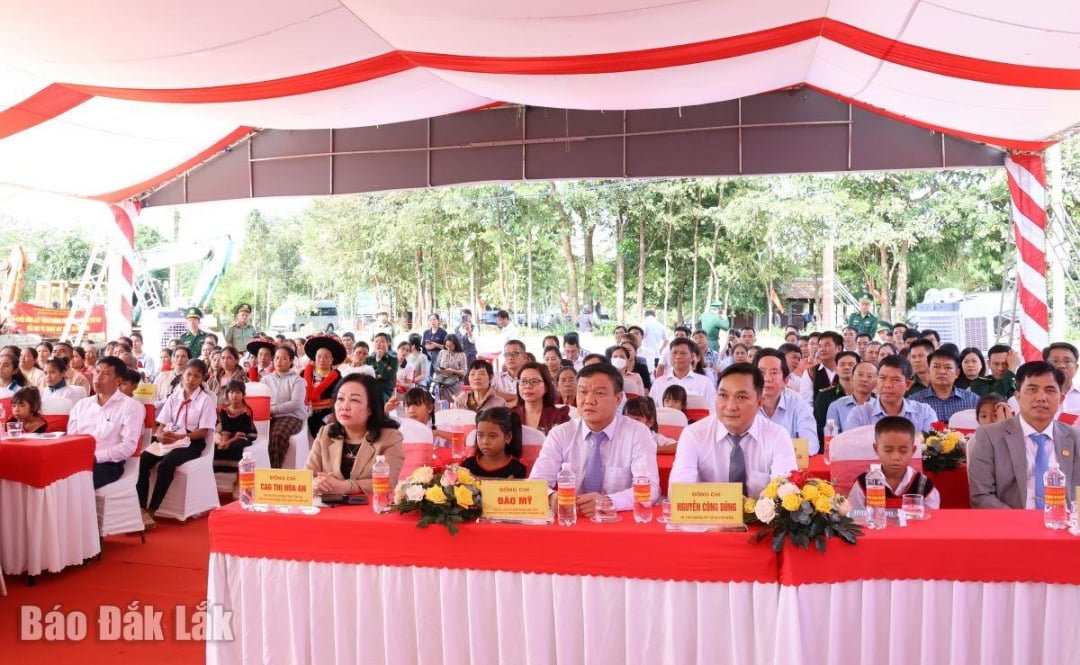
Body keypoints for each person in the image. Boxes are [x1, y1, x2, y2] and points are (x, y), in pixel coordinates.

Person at [529, 364, 659, 517]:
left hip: (617, 521)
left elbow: (650, 489)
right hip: (572, 520)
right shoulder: (560, 434)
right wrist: (551, 497)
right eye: (582, 392)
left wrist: (609, 501)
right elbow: (536, 483)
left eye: (599, 393)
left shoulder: (637, 432)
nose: (589, 400)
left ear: (618, 399)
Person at [669, 364, 798, 498]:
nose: (730, 407)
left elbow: (786, 494)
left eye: (741, 397)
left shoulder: (777, 436)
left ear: (759, 403)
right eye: (723, 395)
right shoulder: (693, 435)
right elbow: (678, 493)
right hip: (708, 511)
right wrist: (728, 502)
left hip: (762, 512)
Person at [969, 361, 1080, 509]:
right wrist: (1019, 521)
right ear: (1018, 396)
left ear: (1061, 399)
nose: (1041, 397)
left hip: (1064, 520)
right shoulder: (990, 436)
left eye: (1050, 390)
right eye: (1032, 389)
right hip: (1012, 521)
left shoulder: (1075, 438)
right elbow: (981, 495)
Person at [135, 358, 216, 526]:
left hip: (192, 441)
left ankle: (153, 509)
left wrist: (181, 438)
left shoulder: (205, 400)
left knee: (167, 464)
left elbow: (204, 431)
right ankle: (141, 508)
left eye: (196, 376)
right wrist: (160, 435)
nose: (191, 379)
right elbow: (162, 424)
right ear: (182, 376)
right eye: (188, 375)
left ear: (202, 378)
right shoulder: (174, 397)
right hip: (170, 437)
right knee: (142, 461)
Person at [307, 373, 404, 495]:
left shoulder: (390, 437)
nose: (344, 407)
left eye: (354, 400)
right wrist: (317, 483)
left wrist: (346, 487)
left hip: (371, 506)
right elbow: (308, 476)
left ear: (371, 408)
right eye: (340, 399)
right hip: (328, 506)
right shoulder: (325, 433)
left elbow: (388, 483)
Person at [68, 356, 144, 489]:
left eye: (105, 374)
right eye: (97, 372)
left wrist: (96, 457)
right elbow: (71, 438)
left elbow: (128, 446)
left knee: (77, 483)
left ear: (118, 380)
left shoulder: (131, 406)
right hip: (79, 459)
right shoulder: (81, 405)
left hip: (108, 464)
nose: (98, 377)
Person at [846, 416, 941, 511]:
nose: (895, 457)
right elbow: (854, 514)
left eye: (903, 451)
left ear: (913, 450)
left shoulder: (923, 485)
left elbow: (933, 516)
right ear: (876, 449)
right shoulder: (864, 482)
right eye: (888, 450)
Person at [844, 355, 937, 432]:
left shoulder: (924, 413)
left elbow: (932, 446)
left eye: (895, 380)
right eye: (882, 378)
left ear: (908, 384)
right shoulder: (859, 414)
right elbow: (849, 447)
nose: (888, 385)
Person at [754, 349, 820, 454]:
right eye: (761, 372)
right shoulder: (744, 407)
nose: (767, 379)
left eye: (774, 372)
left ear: (785, 381)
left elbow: (810, 445)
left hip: (789, 463)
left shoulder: (799, 406)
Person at [263, 346, 307, 468]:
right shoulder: (265, 379)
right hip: (267, 416)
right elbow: (262, 399)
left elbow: (295, 404)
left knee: (277, 436)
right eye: (277, 358)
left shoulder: (297, 380)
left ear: (291, 361)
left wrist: (272, 410)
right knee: (252, 435)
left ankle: (274, 472)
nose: (279, 361)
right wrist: (264, 412)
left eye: (283, 358)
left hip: (291, 416)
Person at [648, 338, 716, 414]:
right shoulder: (658, 383)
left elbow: (713, 411)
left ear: (692, 356)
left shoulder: (705, 383)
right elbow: (650, 412)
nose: (678, 356)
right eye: (674, 353)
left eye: (683, 353)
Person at [911, 348, 978, 423]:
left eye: (948, 367)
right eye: (936, 367)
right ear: (929, 371)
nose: (942, 371)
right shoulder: (914, 402)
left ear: (957, 373)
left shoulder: (972, 400)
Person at [461, 407, 528, 479]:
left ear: (508, 437)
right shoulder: (467, 466)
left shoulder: (517, 468)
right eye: (480, 435)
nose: (485, 441)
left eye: (492, 436)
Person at [303, 335, 345, 438]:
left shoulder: (338, 378)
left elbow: (340, 398)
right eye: (319, 356)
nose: (322, 360)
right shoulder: (303, 373)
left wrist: (334, 414)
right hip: (303, 410)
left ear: (331, 360)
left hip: (327, 412)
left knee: (324, 431)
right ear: (315, 357)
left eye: (326, 357)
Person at [512, 362, 571, 434]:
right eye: (523, 381)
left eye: (534, 381)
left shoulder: (559, 416)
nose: (528, 386)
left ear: (546, 387)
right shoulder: (510, 416)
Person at [813, 350, 859, 440]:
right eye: (842, 364)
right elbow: (818, 426)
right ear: (836, 369)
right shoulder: (824, 395)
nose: (846, 367)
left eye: (851, 364)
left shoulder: (868, 395)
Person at [213, 380, 256, 474]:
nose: (234, 395)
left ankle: (236, 472)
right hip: (229, 433)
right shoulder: (224, 409)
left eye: (238, 392)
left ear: (243, 395)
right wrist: (223, 442)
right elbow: (226, 428)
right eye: (231, 392)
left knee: (237, 445)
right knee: (216, 445)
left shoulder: (247, 411)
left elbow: (242, 431)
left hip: (245, 433)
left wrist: (228, 442)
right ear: (227, 394)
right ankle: (219, 470)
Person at [826, 361, 877, 433]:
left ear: (876, 382)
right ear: (851, 378)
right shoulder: (836, 406)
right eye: (860, 375)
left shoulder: (880, 407)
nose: (864, 379)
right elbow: (831, 435)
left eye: (870, 376)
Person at [431, 334, 467, 400]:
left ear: (456, 344)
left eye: (451, 346)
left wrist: (453, 371)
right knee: (438, 395)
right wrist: (440, 369)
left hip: (456, 383)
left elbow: (464, 372)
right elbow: (436, 366)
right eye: (447, 346)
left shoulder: (461, 355)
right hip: (442, 381)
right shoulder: (442, 352)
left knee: (453, 400)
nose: (448, 348)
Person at [493, 340, 527, 405]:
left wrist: (499, 395)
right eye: (506, 354)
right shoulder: (495, 376)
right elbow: (488, 394)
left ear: (524, 357)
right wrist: (517, 397)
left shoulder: (529, 379)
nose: (510, 357)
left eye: (515, 354)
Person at [366, 332, 397, 403]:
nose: (378, 344)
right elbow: (367, 376)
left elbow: (387, 376)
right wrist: (379, 375)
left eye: (382, 341)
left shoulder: (393, 360)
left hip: (384, 392)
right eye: (376, 341)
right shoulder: (368, 359)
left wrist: (379, 360)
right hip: (369, 390)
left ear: (388, 343)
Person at [456, 309, 478, 377]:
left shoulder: (474, 327)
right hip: (459, 356)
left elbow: (473, 341)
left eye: (467, 316)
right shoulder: (457, 329)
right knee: (461, 375)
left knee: (471, 374)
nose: (465, 318)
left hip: (470, 355)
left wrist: (469, 331)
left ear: (470, 317)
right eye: (463, 316)